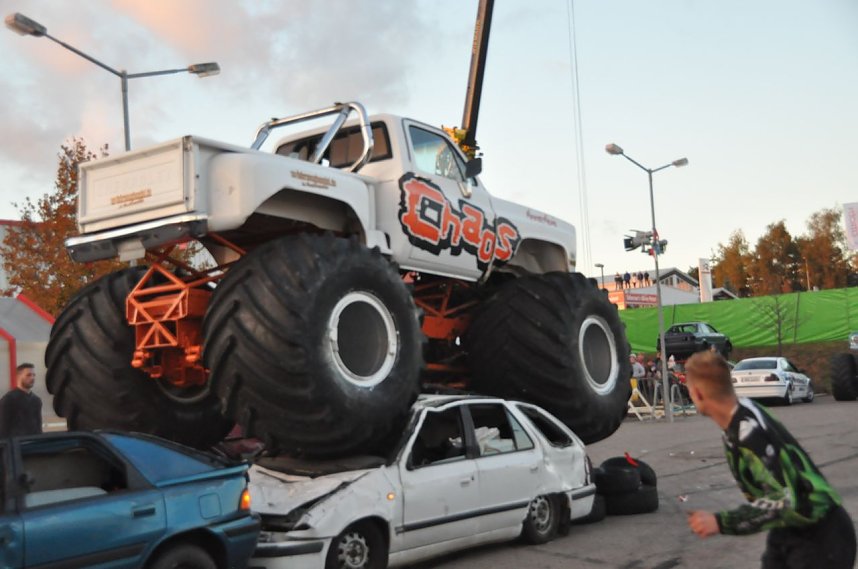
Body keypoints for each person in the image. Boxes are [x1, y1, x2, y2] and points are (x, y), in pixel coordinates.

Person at [684, 351, 856, 569]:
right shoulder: (743, 411)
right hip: (790, 531)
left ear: (698, 394)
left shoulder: (748, 434)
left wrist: (720, 522)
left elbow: (784, 502)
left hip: (820, 535)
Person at [0, 363, 43, 437]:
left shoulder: (36, 400)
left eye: (34, 375)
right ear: (19, 376)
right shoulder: (9, 399)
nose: (32, 378)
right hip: (16, 445)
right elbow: (3, 428)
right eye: (28, 375)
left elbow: (38, 426)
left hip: (34, 443)